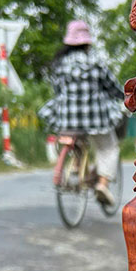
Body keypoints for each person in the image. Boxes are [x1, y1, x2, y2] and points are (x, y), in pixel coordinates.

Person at [38, 20, 125, 207]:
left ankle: (77, 165)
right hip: (95, 118)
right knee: (108, 147)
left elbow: (57, 90)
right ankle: (102, 184)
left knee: (77, 138)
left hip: (67, 119)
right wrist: (124, 96)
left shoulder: (60, 65)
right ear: (87, 42)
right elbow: (112, 87)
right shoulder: (96, 62)